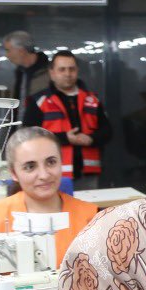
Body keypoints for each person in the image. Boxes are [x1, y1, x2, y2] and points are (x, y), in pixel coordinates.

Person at [0, 127, 98, 263]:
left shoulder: (94, 218)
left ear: (61, 162)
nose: (44, 175)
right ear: (14, 173)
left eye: (51, 162)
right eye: (30, 167)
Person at [25, 50, 112, 193]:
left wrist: (91, 139)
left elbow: (107, 132)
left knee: (87, 208)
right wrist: (65, 138)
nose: (67, 73)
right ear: (52, 73)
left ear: (77, 71)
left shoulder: (92, 99)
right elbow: (29, 135)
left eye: (72, 69)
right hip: (51, 175)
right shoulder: (39, 101)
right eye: (62, 69)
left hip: (88, 174)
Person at [2, 30, 51, 121]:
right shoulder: (20, 72)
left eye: (8, 50)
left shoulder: (50, 73)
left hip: (40, 127)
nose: (7, 55)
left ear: (21, 51)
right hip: (20, 127)